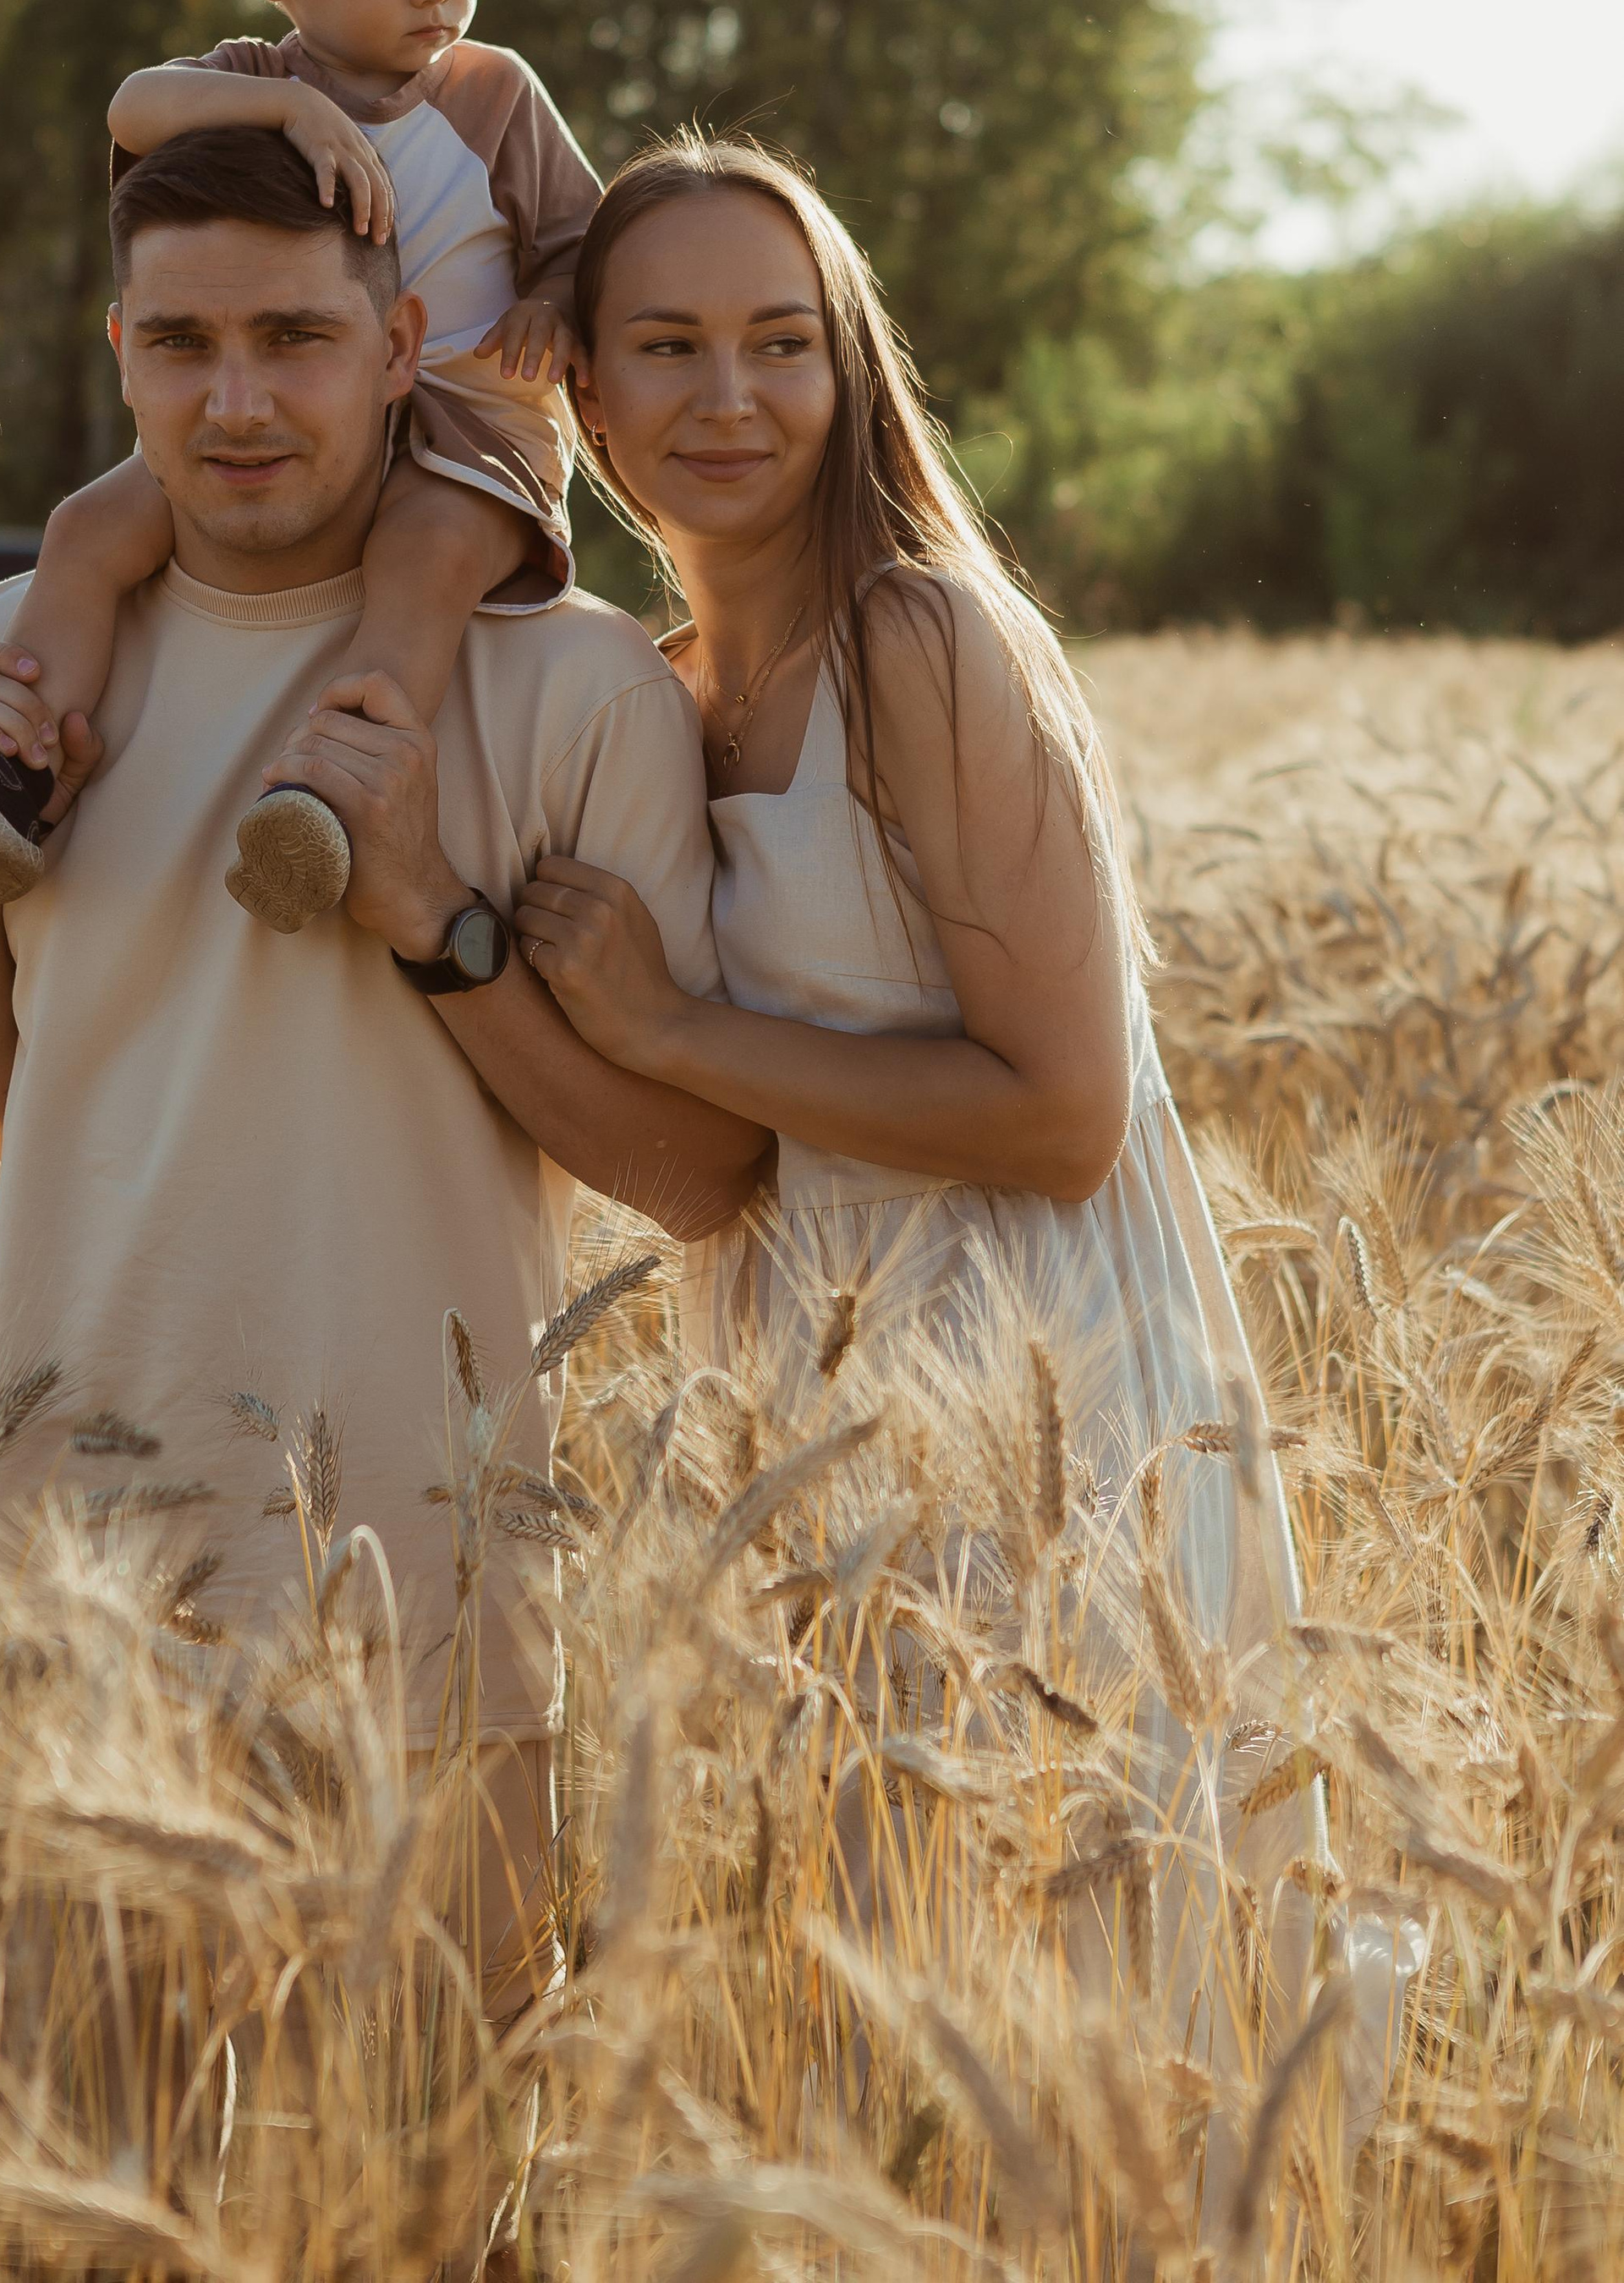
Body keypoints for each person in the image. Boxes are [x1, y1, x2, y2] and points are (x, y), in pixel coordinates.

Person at [505, 135, 1402, 2143]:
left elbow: (1064, 1117)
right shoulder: (650, 692)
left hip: (1036, 1397)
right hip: (802, 1402)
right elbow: (697, 1158)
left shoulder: (918, 640)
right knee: (863, 2012)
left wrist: (670, 1018)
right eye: (663, 346)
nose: (725, 398)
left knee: (1083, 2009)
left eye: (776, 344)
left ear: (846, 374)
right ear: (583, 393)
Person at [0, 124, 768, 2006]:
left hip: (424, 1600)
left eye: (293, 335)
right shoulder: (19, 663)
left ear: (402, 346)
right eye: (183, 345)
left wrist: (436, 919)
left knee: (414, 2195)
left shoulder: (571, 687)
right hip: (66, 1581)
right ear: (118, 350)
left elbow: (697, 1176)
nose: (239, 397)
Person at [0, 0, 599, 936]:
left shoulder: (492, 95)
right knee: (90, 528)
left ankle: (336, 800)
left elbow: (576, 239)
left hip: (466, 431)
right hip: (298, 413)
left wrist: (553, 302)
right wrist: (282, 105)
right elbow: (135, 109)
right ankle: (6, 771)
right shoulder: (256, 76)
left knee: (423, 559)